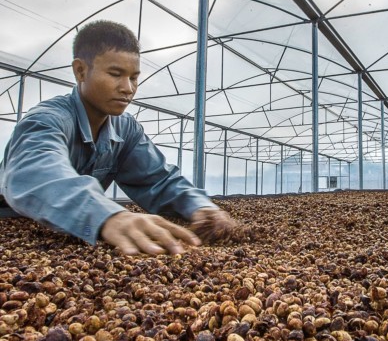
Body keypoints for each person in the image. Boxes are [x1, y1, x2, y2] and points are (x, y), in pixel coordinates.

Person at [0, 20, 238, 255]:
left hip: (74, 236)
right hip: (12, 228)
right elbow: (36, 172)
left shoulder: (126, 129)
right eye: (115, 74)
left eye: (134, 77)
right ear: (80, 70)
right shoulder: (46, 119)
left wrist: (200, 207)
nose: (128, 88)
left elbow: (159, 180)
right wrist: (108, 215)